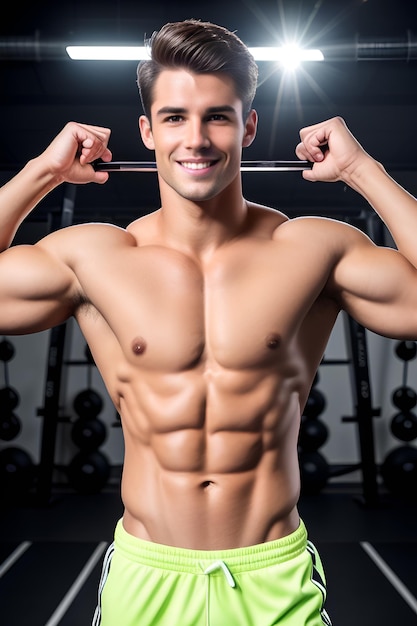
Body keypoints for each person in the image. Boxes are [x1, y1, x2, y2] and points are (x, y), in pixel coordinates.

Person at [1, 18, 417, 626]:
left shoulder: (310, 250)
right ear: (147, 130)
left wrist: (364, 172)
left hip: (271, 574)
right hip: (148, 576)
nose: (195, 139)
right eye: (174, 117)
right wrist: (42, 172)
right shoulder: (97, 257)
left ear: (248, 125)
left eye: (218, 116)